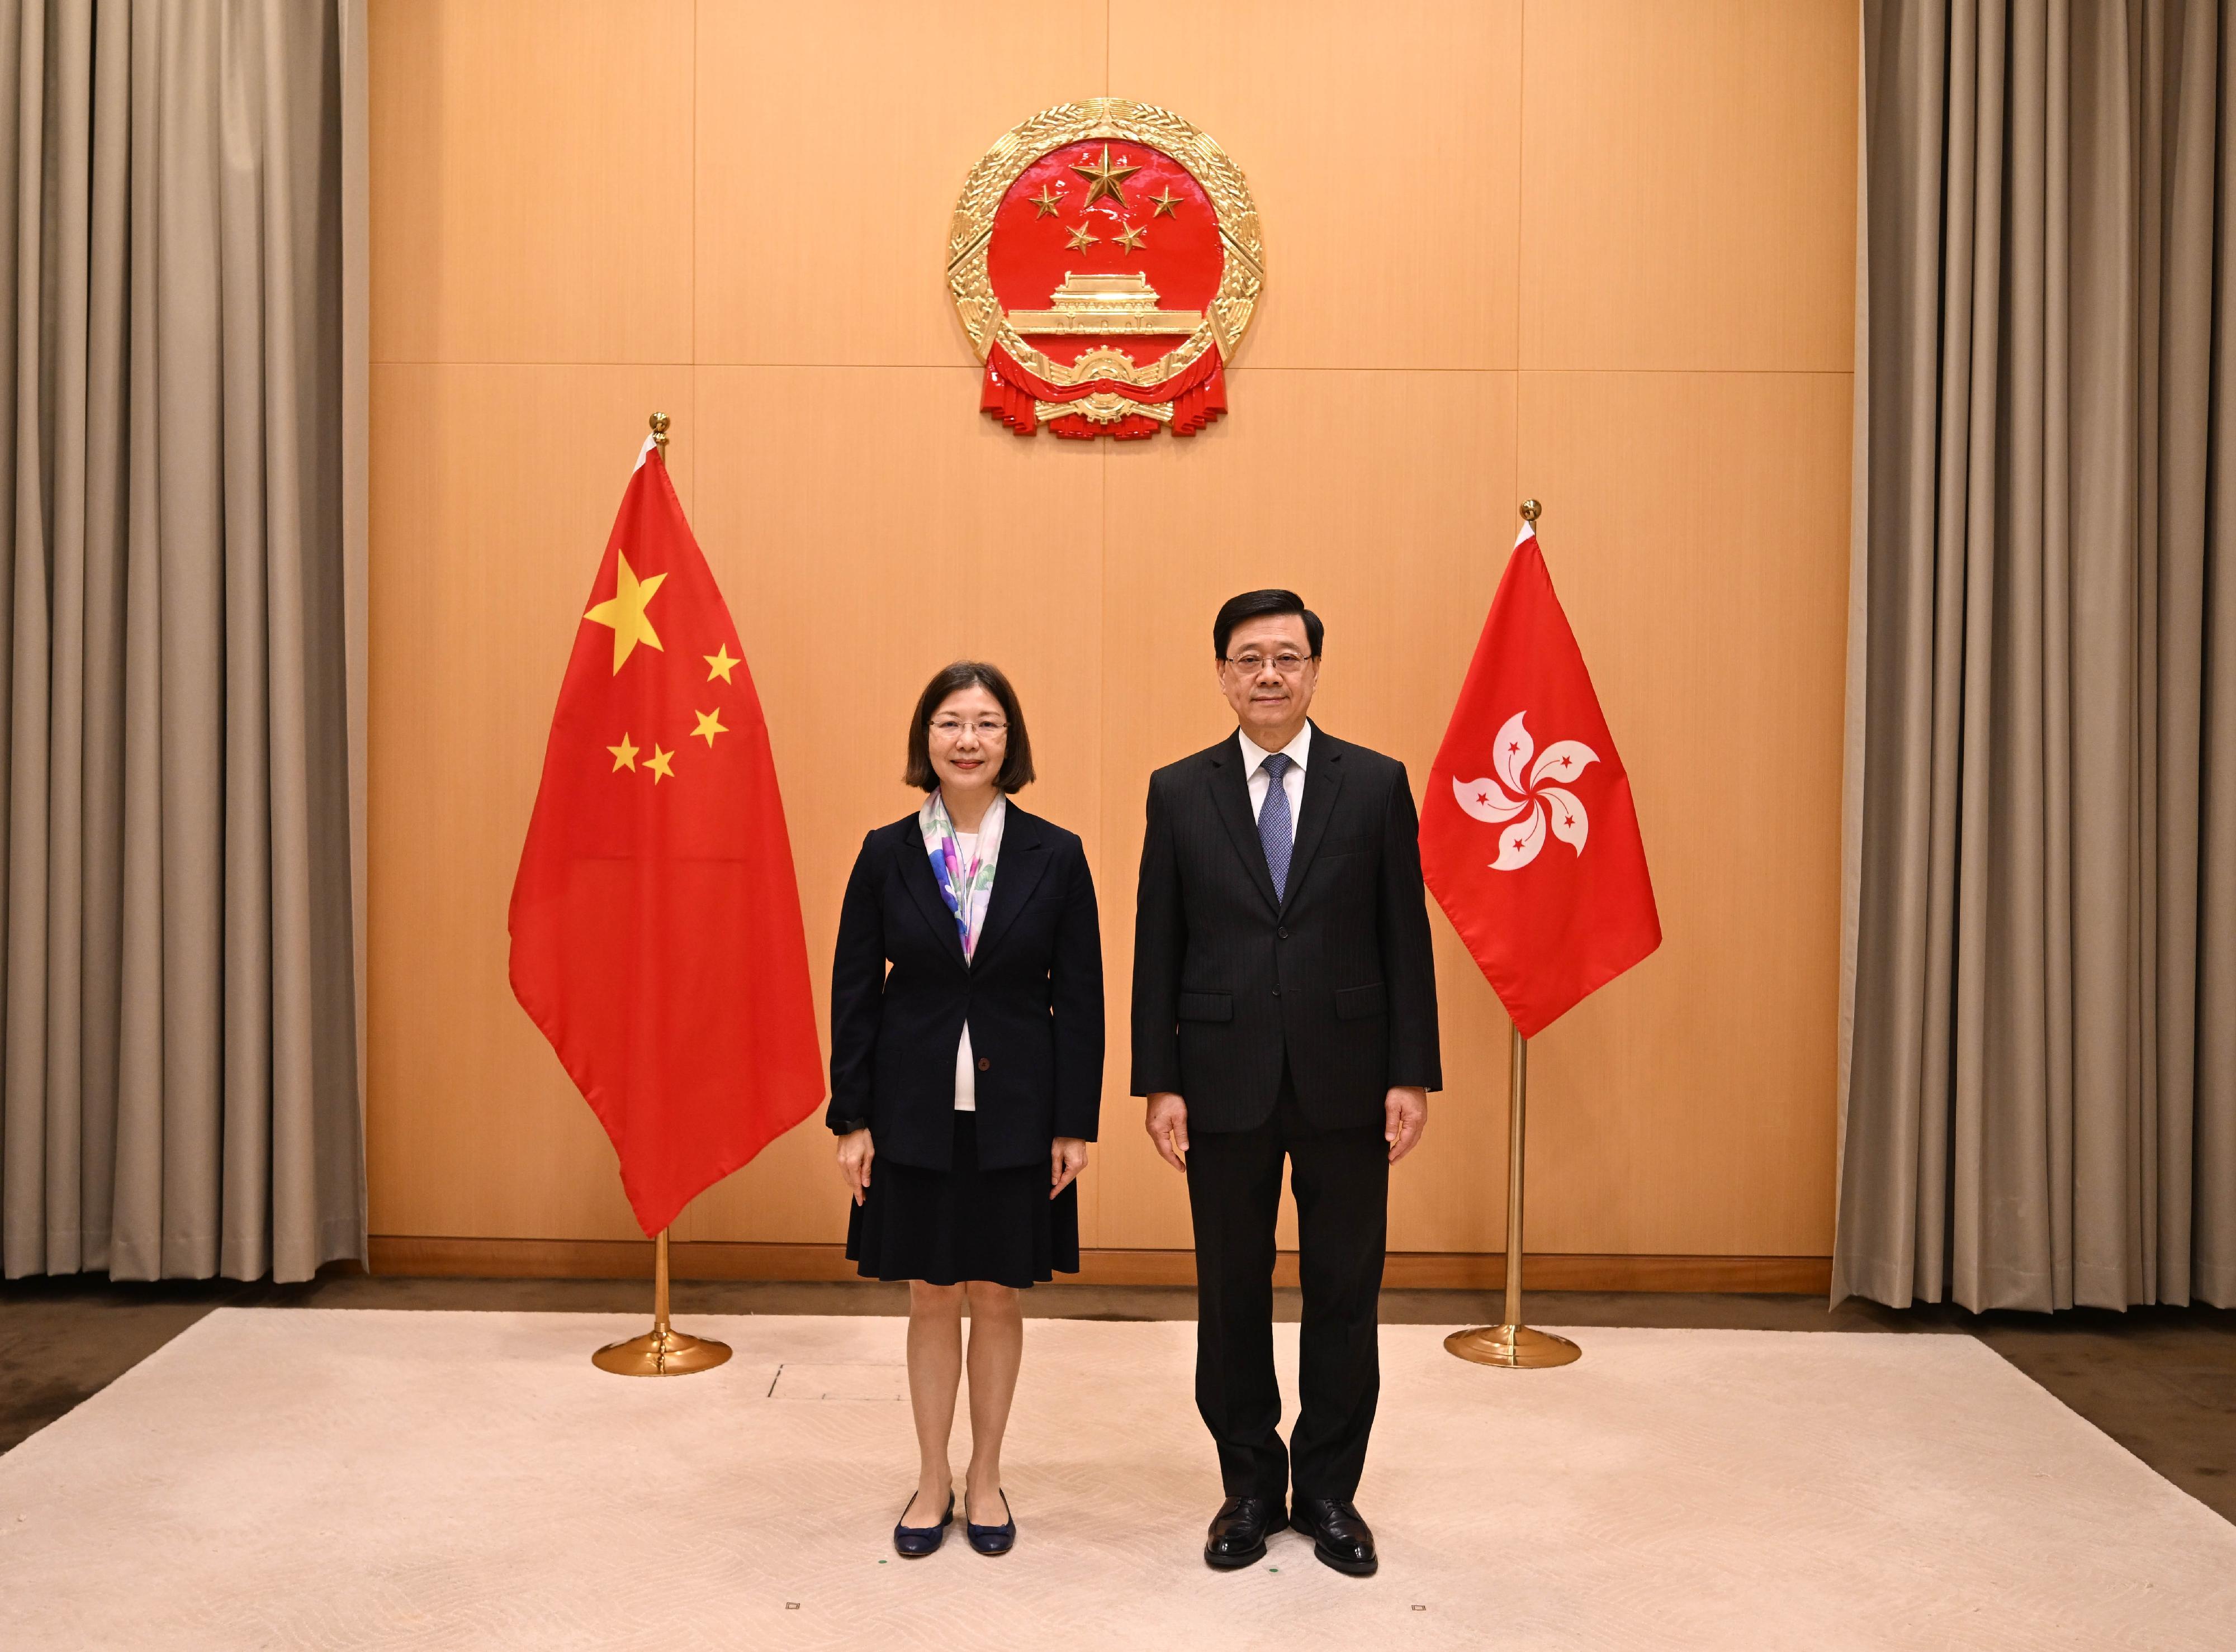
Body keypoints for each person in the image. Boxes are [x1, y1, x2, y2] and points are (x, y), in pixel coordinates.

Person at [1131, 590, 1440, 1578]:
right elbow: (1157, 947)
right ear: (1222, 673)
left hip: (1351, 1079)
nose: (1270, 674)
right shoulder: (1179, 791)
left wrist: (1411, 1073)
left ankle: (1333, 1491)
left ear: (1314, 669)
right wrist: (1159, 1079)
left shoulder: (1377, 783)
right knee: (1231, 1291)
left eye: (1288, 657)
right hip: (1220, 1082)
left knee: (1345, 1286)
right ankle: (1250, 1489)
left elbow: (1406, 940)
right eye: (1249, 658)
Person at [828, 661, 1103, 1560]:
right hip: (912, 1112)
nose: (969, 739)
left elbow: (1084, 1000)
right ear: (926, 739)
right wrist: (851, 1118)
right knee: (930, 1292)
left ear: (1009, 742)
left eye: (987, 724)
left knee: (996, 1292)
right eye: (952, 723)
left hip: (1017, 1113)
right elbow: (855, 993)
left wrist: (1075, 1121)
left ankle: (986, 1477)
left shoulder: (1054, 853)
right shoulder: (886, 851)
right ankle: (932, 1477)